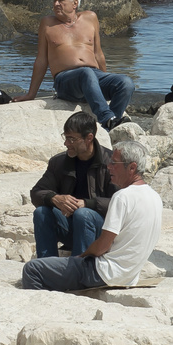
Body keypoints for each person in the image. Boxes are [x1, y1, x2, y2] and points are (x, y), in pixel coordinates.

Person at [20, 139, 162, 292]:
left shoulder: (123, 197)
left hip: (103, 272)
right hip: (129, 276)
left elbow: (102, 246)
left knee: (32, 269)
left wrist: (82, 256)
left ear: (132, 167)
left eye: (114, 164)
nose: (109, 167)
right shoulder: (155, 197)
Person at [16, 0, 133, 129]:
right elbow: (41, 60)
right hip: (65, 80)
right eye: (54, 1)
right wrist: (31, 94)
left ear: (74, 4)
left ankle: (110, 126)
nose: (56, 4)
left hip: (93, 75)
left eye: (60, 1)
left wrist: (104, 77)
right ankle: (107, 118)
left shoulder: (90, 18)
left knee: (125, 82)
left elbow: (98, 54)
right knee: (86, 73)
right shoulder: (47, 23)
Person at [29, 110, 115, 258]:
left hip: (103, 232)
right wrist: (54, 198)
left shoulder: (111, 162)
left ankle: (79, 270)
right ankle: (46, 266)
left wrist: (87, 204)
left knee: (83, 214)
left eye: (72, 139)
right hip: (73, 227)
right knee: (41, 212)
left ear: (89, 138)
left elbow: (122, 202)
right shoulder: (59, 162)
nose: (66, 143)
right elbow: (37, 192)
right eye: (65, 137)